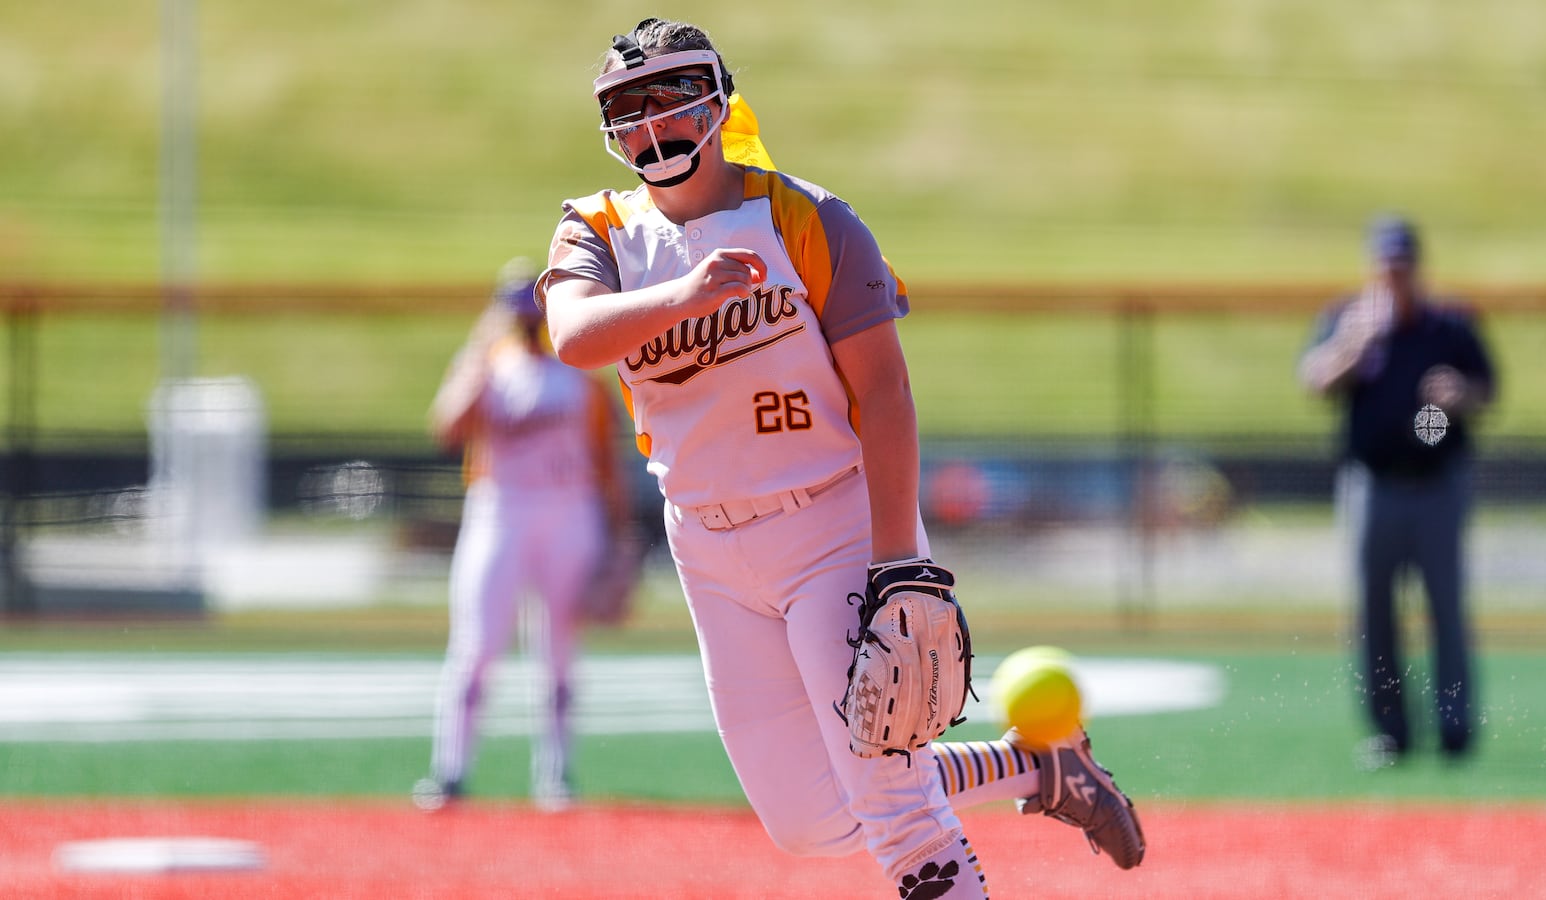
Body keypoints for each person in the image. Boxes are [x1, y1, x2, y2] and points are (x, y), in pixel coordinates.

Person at [535, 17, 1144, 896]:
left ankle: (1012, 794)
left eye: (665, 97)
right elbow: (575, 335)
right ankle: (1038, 768)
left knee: (892, 811)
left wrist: (899, 558)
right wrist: (686, 292)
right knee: (813, 823)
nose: (647, 124)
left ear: (715, 100)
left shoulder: (807, 218)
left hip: (830, 522)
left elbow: (885, 394)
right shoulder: (595, 227)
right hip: (706, 545)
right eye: (625, 109)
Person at [414, 258, 633, 812]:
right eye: (518, 312)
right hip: (501, 508)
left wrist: (621, 540)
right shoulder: (489, 364)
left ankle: (555, 774)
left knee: (558, 648)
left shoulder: (580, 370)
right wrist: (481, 344)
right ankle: (451, 770)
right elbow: (447, 426)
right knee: (476, 644)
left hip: (569, 509)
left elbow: (607, 462)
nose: (528, 322)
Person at [1298, 216, 1497, 768]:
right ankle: (1390, 731)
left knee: (1446, 607)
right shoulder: (1350, 320)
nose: (1395, 274)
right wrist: (1352, 347)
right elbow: (1313, 380)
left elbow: (1486, 389)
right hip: (1373, 483)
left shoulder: (1448, 326)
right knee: (1374, 612)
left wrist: (1459, 395)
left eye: (1403, 263)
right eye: (1386, 264)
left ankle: (1454, 726)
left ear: (1417, 267)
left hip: (1436, 483)